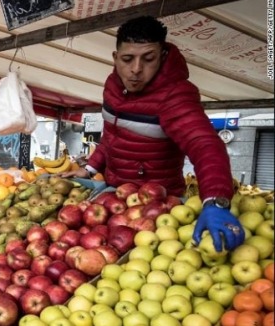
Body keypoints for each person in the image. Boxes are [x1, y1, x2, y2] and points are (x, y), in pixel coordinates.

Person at [62, 16, 243, 253]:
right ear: (115, 58)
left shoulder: (176, 95)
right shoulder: (113, 86)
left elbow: (205, 145)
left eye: (148, 59)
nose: (136, 69)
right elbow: (113, 136)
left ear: (163, 56)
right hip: (114, 196)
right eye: (127, 59)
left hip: (157, 207)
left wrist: (216, 200)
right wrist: (90, 168)